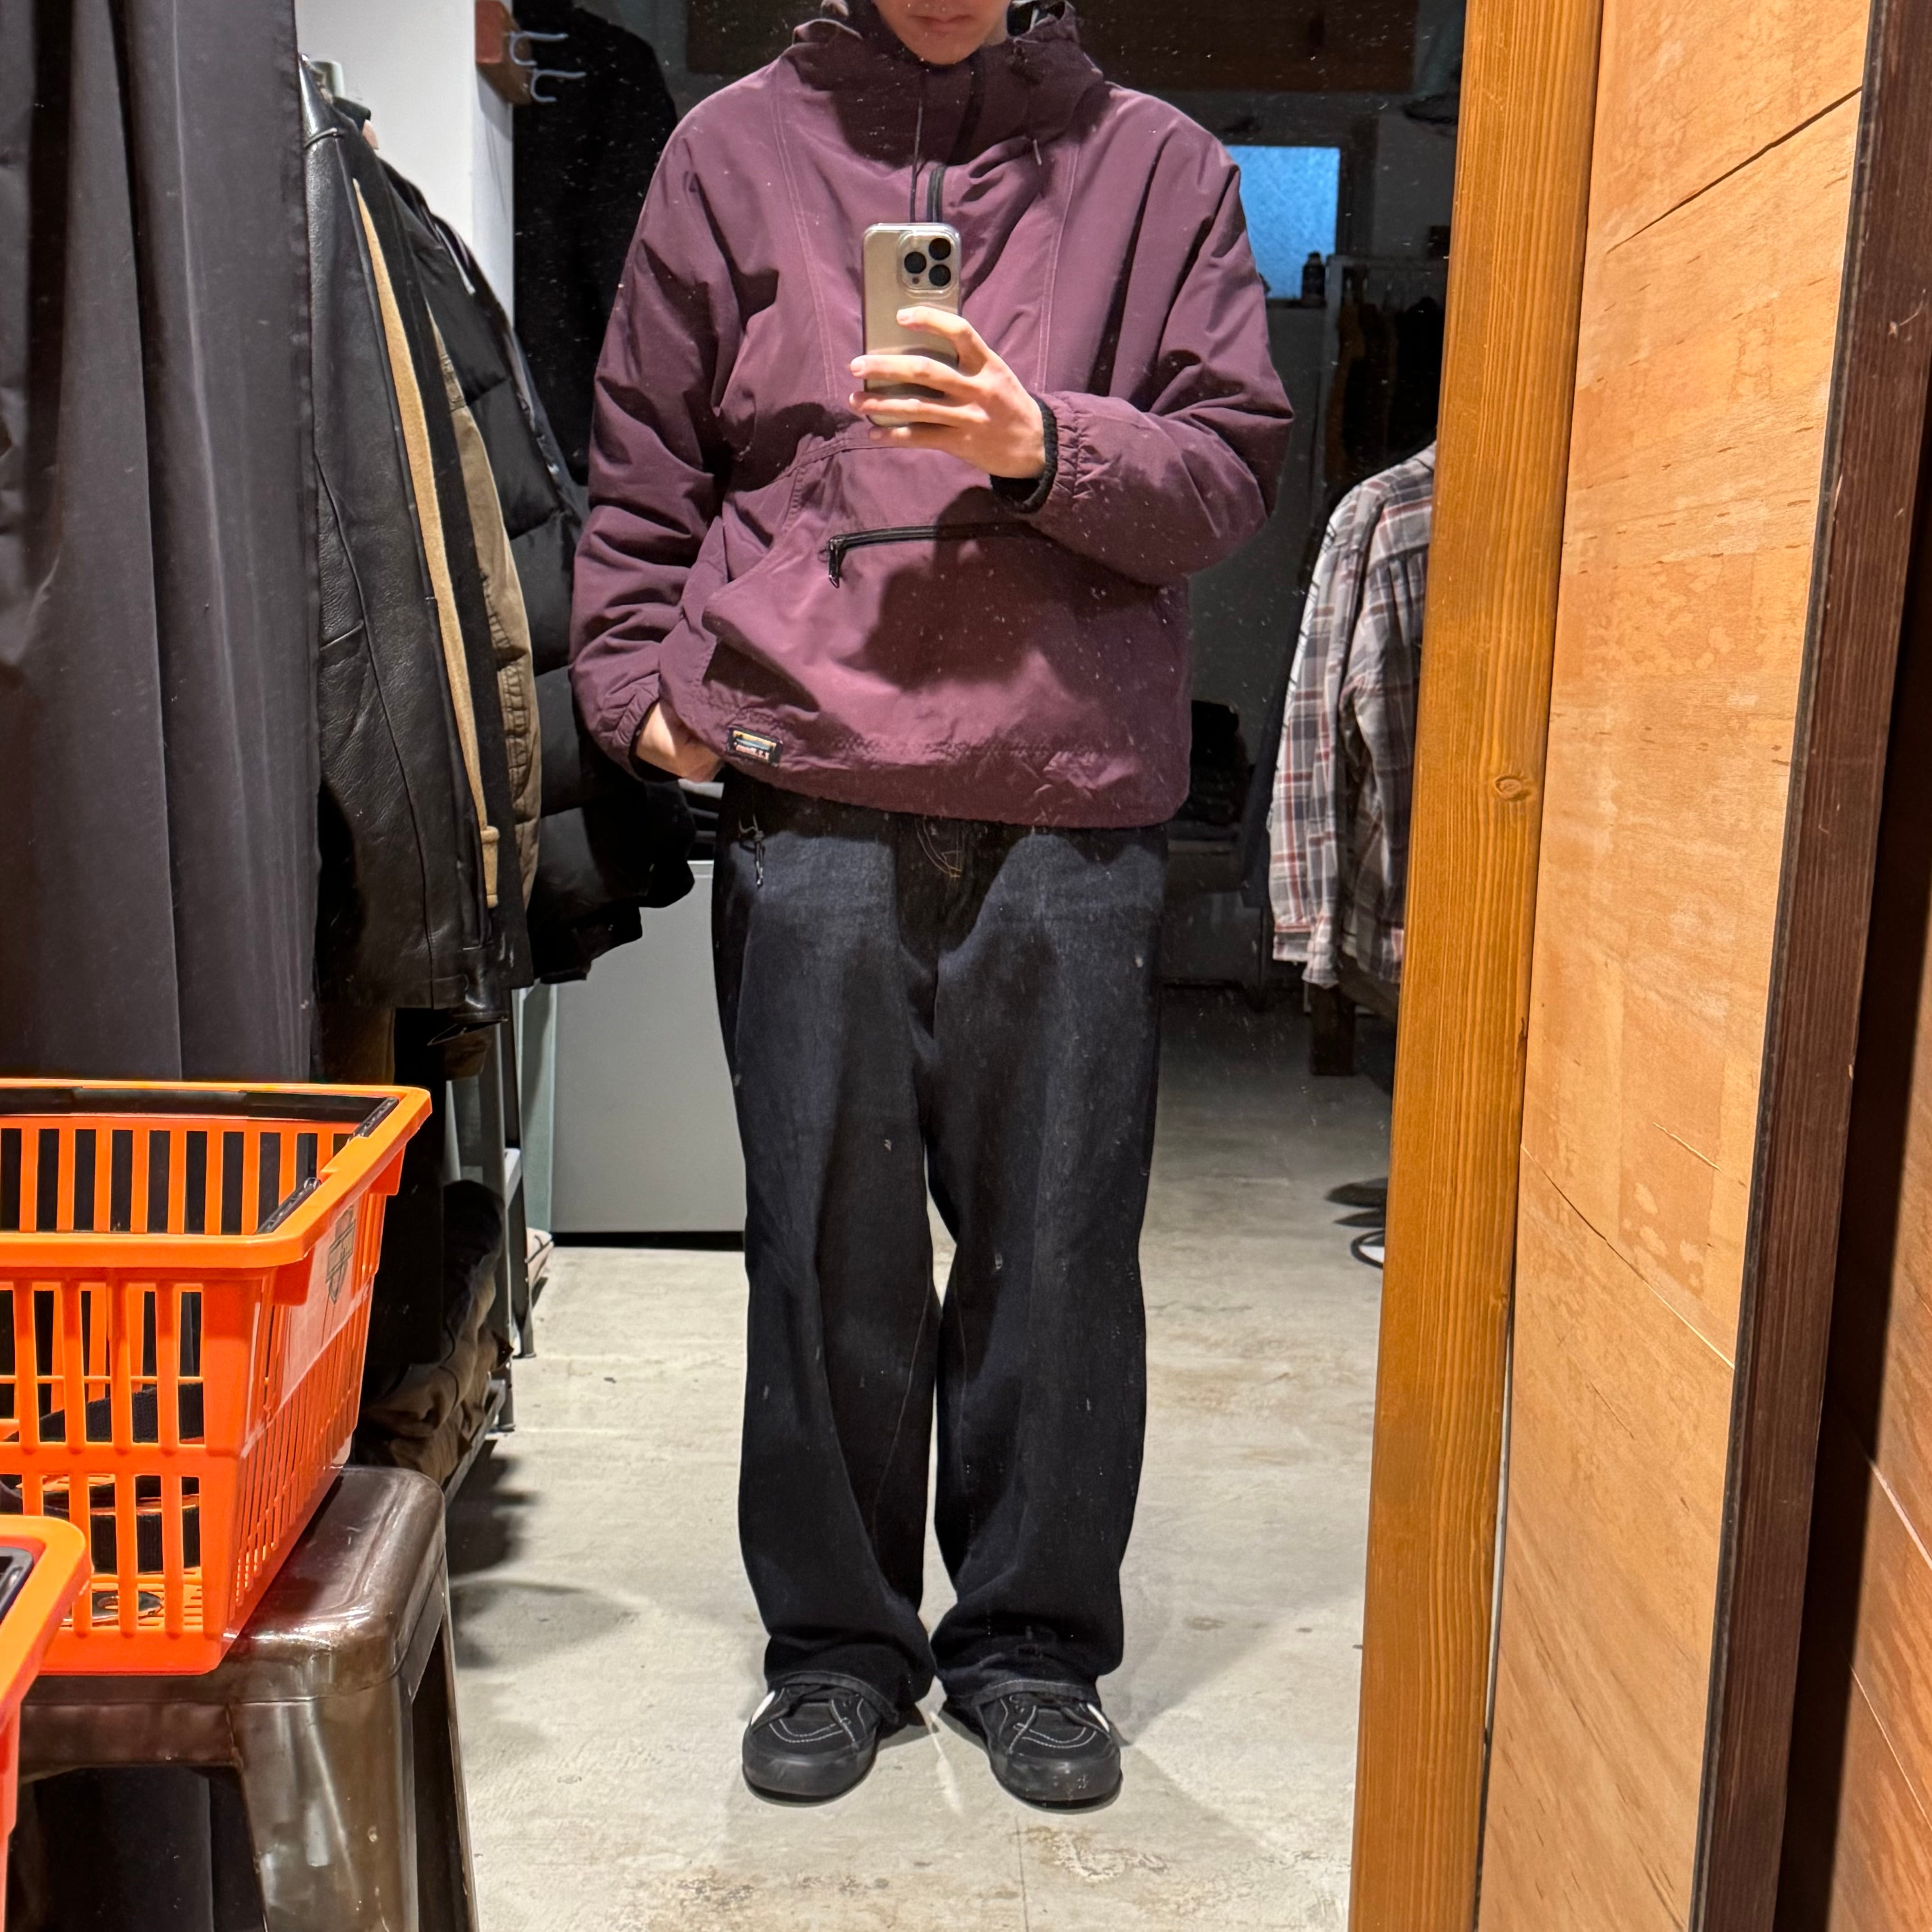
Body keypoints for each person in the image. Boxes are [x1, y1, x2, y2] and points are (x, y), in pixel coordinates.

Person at [570, 0, 1292, 1808]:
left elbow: (1227, 473)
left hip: (1069, 792)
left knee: (1059, 1247)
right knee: (826, 1245)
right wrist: (633, 684)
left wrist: (1044, 444)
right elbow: (644, 460)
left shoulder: (1161, 166)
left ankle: (1032, 1646)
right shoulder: (732, 148)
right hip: (811, 776)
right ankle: (837, 1646)